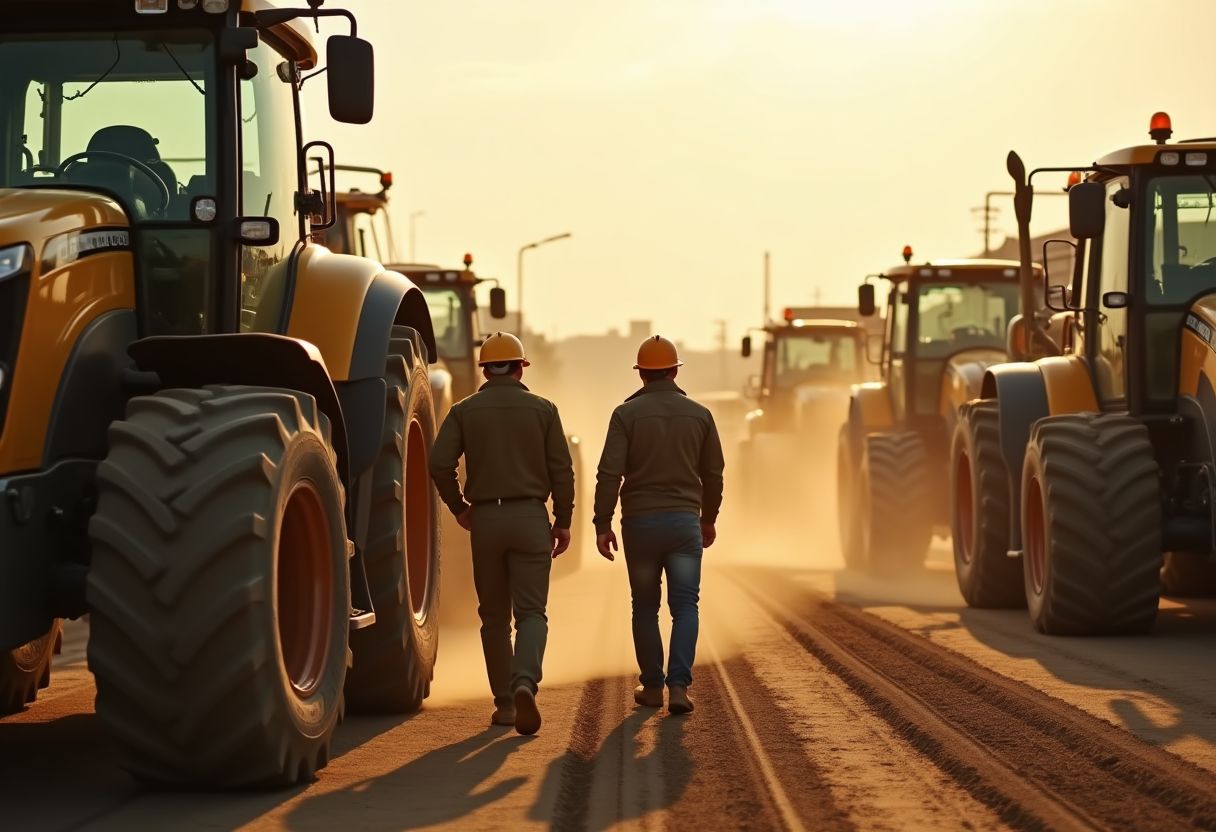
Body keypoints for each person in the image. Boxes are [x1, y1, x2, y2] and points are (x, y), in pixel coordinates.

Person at [429, 332, 574, 735]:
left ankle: (506, 705)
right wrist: (562, 521)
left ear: (483, 369)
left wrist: (459, 507)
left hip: (486, 522)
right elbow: (562, 471)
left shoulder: (463, 410)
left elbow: (440, 463)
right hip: (530, 518)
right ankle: (524, 682)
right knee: (531, 613)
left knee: (493, 617)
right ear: (521, 366)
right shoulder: (544, 410)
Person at [593, 335, 725, 715]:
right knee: (685, 606)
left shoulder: (625, 415)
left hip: (641, 527)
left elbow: (609, 473)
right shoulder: (700, 415)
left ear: (642, 375)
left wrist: (602, 524)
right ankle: (679, 687)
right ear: (673, 371)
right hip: (685, 526)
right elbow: (713, 473)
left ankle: (652, 688)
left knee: (645, 606)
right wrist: (708, 518)